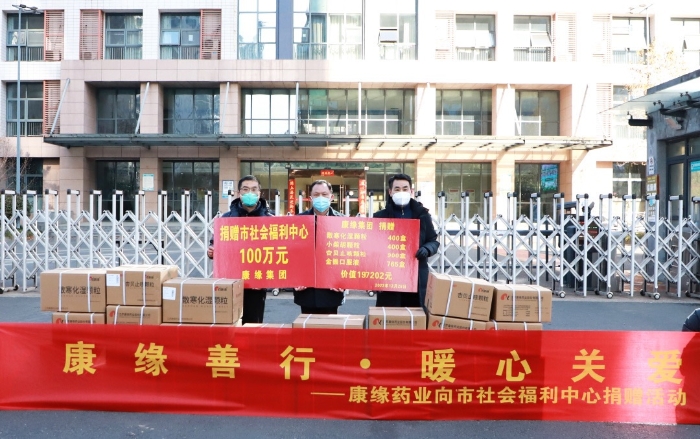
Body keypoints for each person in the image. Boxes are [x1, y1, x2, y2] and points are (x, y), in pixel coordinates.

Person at [208, 175, 273, 324]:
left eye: (254, 189)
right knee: (229, 324)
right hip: (230, 281)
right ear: (239, 193)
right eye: (245, 189)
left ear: (259, 193)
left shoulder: (270, 220)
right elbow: (214, 243)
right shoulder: (227, 219)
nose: (250, 192)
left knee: (252, 326)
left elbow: (279, 251)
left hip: (257, 284)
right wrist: (211, 251)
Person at [373, 173, 439, 310]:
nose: (401, 192)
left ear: (411, 191)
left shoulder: (422, 215)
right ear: (390, 192)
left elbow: (433, 241)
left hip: (415, 277)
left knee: (415, 317)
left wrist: (427, 249)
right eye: (397, 189)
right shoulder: (380, 217)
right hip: (388, 278)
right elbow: (371, 247)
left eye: (405, 188)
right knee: (391, 317)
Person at [293, 180, 346, 314]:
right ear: (310, 198)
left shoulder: (343, 222)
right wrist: (294, 279)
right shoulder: (298, 221)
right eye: (316, 195)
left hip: (332, 290)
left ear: (331, 197)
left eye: (324, 194)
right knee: (306, 325)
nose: (320, 198)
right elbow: (291, 253)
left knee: (330, 326)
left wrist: (344, 281)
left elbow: (349, 254)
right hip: (305, 290)